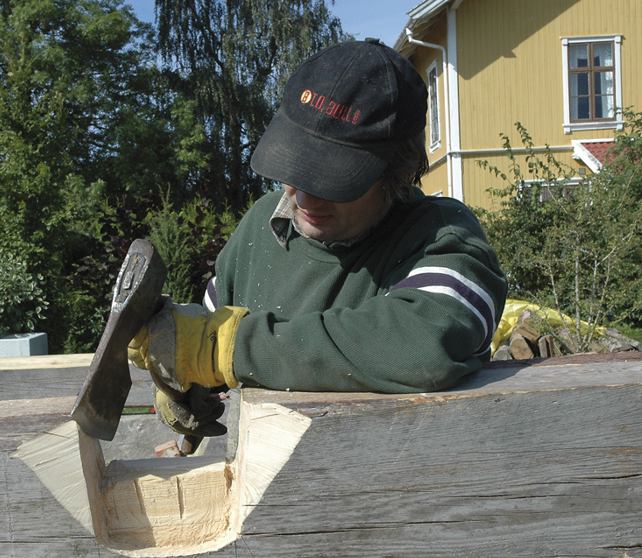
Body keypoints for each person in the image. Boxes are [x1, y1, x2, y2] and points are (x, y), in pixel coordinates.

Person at [128, 38, 507, 439]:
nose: (303, 197)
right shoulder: (260, 227)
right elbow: (212, 336)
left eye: (332, 177)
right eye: (296, 166)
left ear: (398, 168)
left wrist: (231, 349)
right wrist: (186, 379)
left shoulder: (442, 237)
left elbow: (424, 347)